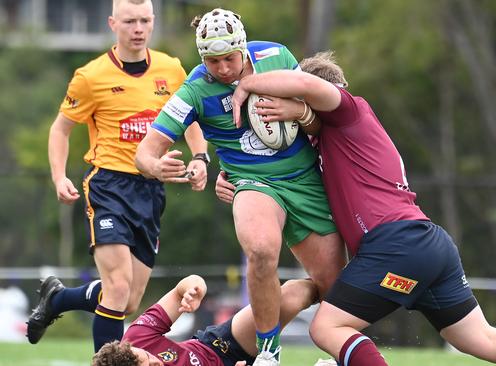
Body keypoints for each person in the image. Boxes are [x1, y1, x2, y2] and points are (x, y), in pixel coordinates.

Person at [215, 51, 496, 366]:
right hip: (426, 244)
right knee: (477, 338)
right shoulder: (325, 143)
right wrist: (237, 180)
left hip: (395, 244)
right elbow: (279, 178)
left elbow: (309, 90)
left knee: (327, 327)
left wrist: (249, 85)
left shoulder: (348, 110)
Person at [135, 8, 346, 365]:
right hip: (252, 183)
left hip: (306, 181)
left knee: (336, 289)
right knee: (261, 250)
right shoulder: (195, 89)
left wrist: (297, 113)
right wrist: (156, 166)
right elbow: (145, 151)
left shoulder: (277, 57)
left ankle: (341, 358)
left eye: (228, 58)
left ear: (243, 47)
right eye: (212, 60)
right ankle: (268, 354)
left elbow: (321, 125)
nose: (221, 68)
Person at [27, 0, 209, 352]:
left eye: (144, 20)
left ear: (153, 22)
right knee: (118, 287)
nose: (137, 29)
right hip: (108, 186)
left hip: (151, 190)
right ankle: (106, 363)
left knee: (127, 302)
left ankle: (59, 299)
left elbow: (191, 117)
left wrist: (200, 157)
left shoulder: (170, 69)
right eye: (129, 21)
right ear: (113, 23)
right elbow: (60, 130)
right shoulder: (91, 77)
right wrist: (57, 176)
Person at [92, 274, 319, 366]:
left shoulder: (136, 338)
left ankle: (346, 302)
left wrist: (194, 289)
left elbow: (182, 287)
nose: (157, 362)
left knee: (292, 294)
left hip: (220, 345)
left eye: (148, 357)